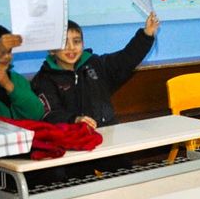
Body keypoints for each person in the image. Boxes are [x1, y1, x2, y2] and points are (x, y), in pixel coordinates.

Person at [31, 14, 159, 128]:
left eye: (76, 41)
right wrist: (75, 120)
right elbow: (51, 114)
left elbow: (126, 59)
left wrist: (146, 34)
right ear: (52, 50)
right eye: (64, 43)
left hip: (108, 132)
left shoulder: (95, 64)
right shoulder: (45, 79)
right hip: (73, 139)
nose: (71, 47)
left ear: (83, 44)